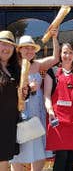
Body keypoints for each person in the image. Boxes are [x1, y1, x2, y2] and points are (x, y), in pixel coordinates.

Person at [11, 28, 59, 171]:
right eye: (26, 48)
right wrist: (26, 87)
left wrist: (55, 38)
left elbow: (55, 58)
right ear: (19, 50)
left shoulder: (37, 64)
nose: (29, 51)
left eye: (32, 49)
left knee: (38, 153)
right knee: (17, 153)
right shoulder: (13, 67)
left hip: (37, 113)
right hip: (20, 115)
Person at [44, 42, 73, 171]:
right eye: (65, 52)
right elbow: (47, 95)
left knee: (71, 158)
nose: (67, 55)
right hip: (58, 121)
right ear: (60, 54)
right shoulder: (52, 72)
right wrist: (50, 110)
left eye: (70, 52)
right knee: (61, 157)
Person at [0, 30, 22, 171]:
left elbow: (18, 96)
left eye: (10, 45)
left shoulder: (15, 69)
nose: (6, 48)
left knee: (4, 159)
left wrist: (25, 91)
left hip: (9, 122)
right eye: (2, 44)